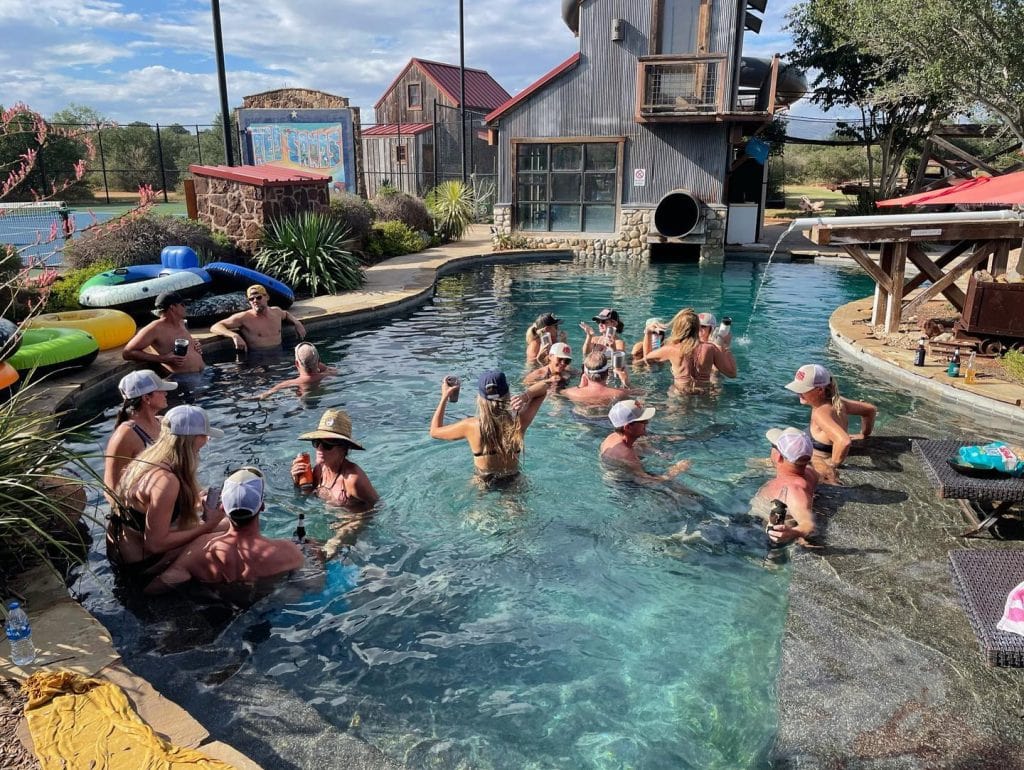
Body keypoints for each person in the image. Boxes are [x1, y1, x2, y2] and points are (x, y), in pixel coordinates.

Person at [107, 405, 226, 577]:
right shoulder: (166, 480)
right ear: (190, 439)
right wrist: (208, 526)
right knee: (228, 531)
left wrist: (197, 499)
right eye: (204, 435)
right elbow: (154, 544)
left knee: (225, 523)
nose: (207, 440)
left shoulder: (149, 458)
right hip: (140, 565)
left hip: (122, 552)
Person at [144, 467, 304, 594]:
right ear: (262, 506)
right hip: (266, 609)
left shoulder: (201, 549)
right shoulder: (288, 551)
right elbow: (312, 586)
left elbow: (157, 587)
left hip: (221, 603)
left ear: (222, 507)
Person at [430, 370, 549, 480]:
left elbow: (434, 431)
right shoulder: (518, 422)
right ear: (508, 393)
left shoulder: (471, 426)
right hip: (513, 480)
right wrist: (524, 396)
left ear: (480, 398)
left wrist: (444, 397)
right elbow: (544, 387)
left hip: (483, 482)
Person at [784, 364, 877, 483]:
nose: (798, 394)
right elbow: (870, 410)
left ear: (820, 390)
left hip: (818, 460)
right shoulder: (838, 401)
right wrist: (864, 434)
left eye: (802, 390)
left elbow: (844, 441)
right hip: (817, 455)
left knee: (773, 466)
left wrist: (833, 464)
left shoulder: (820, 413)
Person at [103, 370, 177, 504]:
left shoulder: (163, 423)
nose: (166, 393)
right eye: (160, 391)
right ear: (146, 398)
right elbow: (112, 489)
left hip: (169, 501)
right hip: (145, 512)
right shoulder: (125, 435)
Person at [290, 409, 379, 510]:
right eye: (316, 442)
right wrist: (298, 483)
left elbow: (378, 506)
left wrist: (356, 521)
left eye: (327, 444)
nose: (319, 449)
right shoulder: (319, 470)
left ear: (343, 448)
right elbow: (306, 498)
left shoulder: (352, 479)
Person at [754, 427, 819, 546]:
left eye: (773, 446)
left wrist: (793, 533)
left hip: (759, 533)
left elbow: (808, 525)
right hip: (760, 522)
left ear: (778, 456)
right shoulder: (810, 472)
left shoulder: (793, 489)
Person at [646, 308, 736, 393]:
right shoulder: (711, 348)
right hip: (704, 395)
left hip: (679, 394)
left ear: (678, 327)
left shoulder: (671, 349)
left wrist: (648, 332)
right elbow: (732, 374)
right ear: (697, 327)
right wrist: (724, 346)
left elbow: (647, 358)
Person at [599, 399, 690, 480]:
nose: (647, 422)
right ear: (628, 427)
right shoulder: (627, 456)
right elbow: (647, 481)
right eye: (643, 421)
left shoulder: (613, 436)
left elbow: (637, 443)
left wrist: (658, 452)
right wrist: (675, 470)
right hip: (625, 485)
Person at [122, 291, 205, 377]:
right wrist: (162, 358)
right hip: (183, 378)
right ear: (172, 307)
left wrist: (194, 345)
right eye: (183, 304)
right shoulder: (154, 328)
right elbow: (128, 352)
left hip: (204, 372)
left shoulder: (181, 322)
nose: (186, 307)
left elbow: (175, 343)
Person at [210, 284, 307, 352]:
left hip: (279, 353)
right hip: (258, 359)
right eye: (251, 299)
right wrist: (235, 336)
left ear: (267, 297)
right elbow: (215, 326)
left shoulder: (276, 312)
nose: (255, 301)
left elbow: (286, 314)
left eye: (258, 297)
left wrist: (297, 323)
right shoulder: (244, 317)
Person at [258, 342, 337, 398]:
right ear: (319, 361)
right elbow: (333, 370)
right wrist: (318, 364)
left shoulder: (291, 383)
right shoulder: (327, 374)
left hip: (303, 399)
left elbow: (266, 394)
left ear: (297, 363)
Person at [580, 308, 629, 386]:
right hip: (592, 376)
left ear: (614, 324)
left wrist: (613, 348)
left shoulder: (619, 342)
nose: (600, 324)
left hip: (609, 378)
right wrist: (589, 336)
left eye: (604, 321)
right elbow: (585, 353)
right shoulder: (595, 339)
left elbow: (619, 364)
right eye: (598, 321)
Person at [561, 351, 629, 405]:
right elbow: (638, 394)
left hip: (580, 420)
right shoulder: (620, 393)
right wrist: (626, 383)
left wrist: (579, 387)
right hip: (606, 420)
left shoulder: (569, 392)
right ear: (607, 372)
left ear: (585, 374)